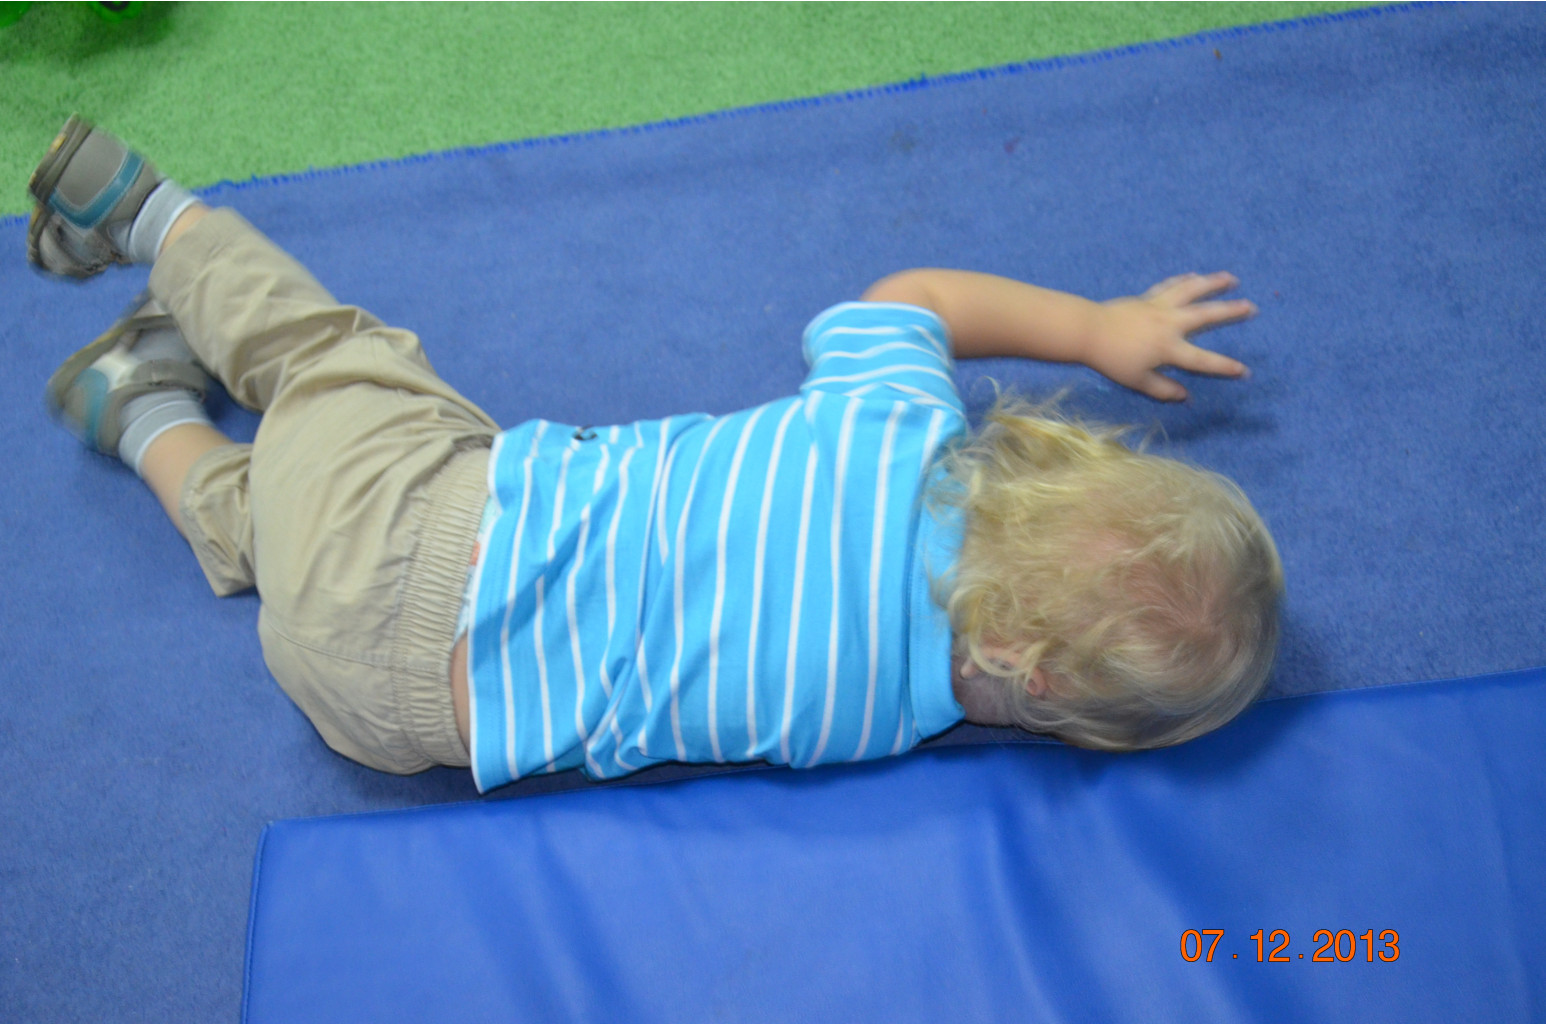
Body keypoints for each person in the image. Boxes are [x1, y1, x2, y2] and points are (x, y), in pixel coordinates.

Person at [28, 117, 1283, 793]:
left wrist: (1096, 329)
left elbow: (913, 300)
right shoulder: (879, 724)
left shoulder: (897, 432)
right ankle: (140, 414)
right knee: (283, 531)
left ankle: (153, 220)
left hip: (423, 522)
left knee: (333, 359)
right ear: (1044, 696)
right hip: (388, 715)